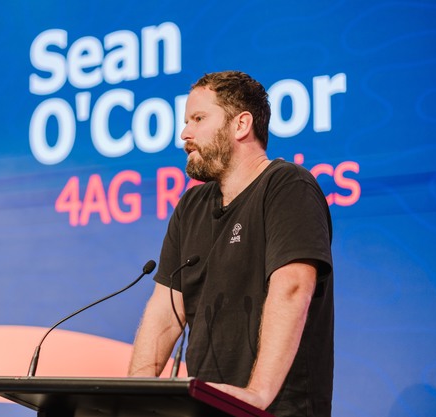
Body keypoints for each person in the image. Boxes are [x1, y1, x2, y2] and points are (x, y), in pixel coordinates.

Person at [128, 71, 334, 417]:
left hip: (274, 409)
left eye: (198, 119)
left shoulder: (287, 186)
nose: (185, 134)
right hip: (205, 407)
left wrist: (257, 394)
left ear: (241, 125)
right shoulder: (191, 206)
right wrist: (132, 398)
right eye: (186, 121)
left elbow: (293, 287)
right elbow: (165, 311)